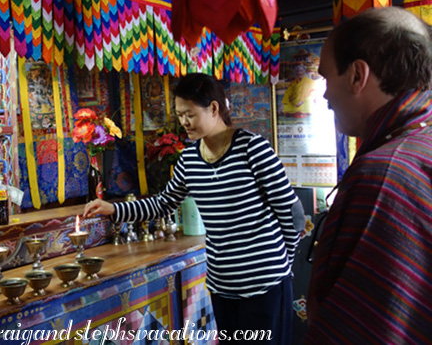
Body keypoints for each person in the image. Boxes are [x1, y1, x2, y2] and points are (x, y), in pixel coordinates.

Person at [84, 73, 300, 344]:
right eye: (180, 114)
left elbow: (293, 215)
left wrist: (283, 265)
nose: (184, 122)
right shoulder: (189, 159)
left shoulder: (252, 148)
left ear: (213, 108)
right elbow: (163, 204)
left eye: (190, 114)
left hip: (265, 285)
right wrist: (113, 210)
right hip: (223, 287)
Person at [306, 7, 432, 343]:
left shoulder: (385, 174)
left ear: (357, 76)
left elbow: (366, 326)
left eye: (325, 77)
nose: (326, 95)